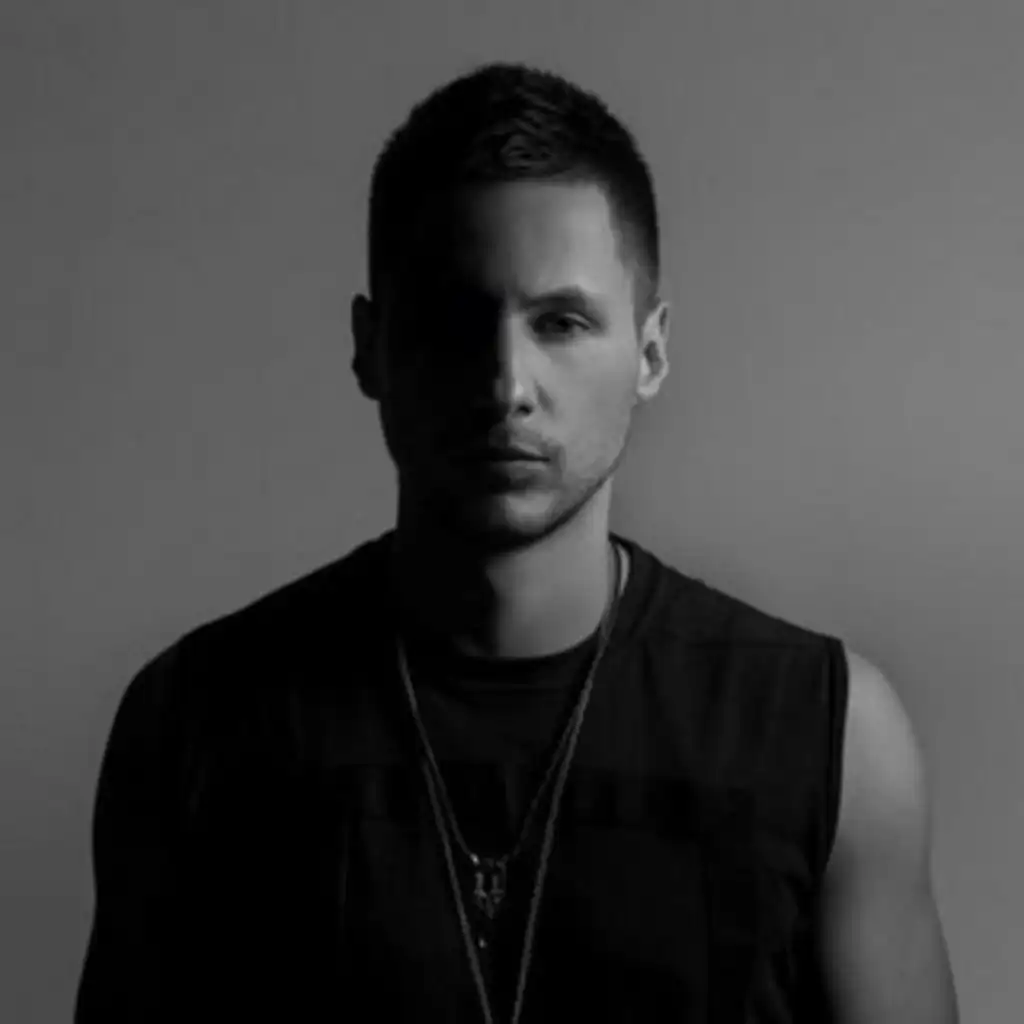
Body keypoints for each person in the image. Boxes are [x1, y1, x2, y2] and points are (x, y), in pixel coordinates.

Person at [75, 60, 959, 1023]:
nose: (507, 385)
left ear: (651, 351)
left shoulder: (829, 733)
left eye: (562, 322)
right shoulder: (193, 724)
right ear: (371, 348)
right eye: (452, 322)